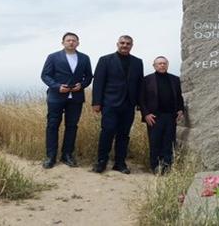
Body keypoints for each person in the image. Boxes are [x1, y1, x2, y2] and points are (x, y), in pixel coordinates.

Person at [91, 35, 144, 174]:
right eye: (122, 43)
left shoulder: (138, 62)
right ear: (117, 44)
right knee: (107, 132)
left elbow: (139, 84)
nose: (125, 45)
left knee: (124, 134)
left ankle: (120, 163)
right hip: (110, 103)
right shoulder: (105, 60)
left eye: (128, 43)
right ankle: (101, 161)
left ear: (132, 45)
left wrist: (139, 103)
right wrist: (96, 102)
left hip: (129, 104)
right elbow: (98, 82)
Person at [40, 32, 93, 169]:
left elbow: (88, 77)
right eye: (68, 40)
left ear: (78, 43)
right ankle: (50, 157)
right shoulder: (53, 57)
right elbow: (45, 75)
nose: (71, 42)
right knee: (52, 126)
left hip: (76, 98)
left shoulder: (84, 58)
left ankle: (67, 155)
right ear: (63, 42)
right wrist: (57, 87)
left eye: (74, 40)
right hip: (56, 97)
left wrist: (81, 85)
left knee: (72, 127)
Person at [139, 56, 184, 173]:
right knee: (155, 142)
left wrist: (180, 109)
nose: (162, 65)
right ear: (154, 66)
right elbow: (141, 99)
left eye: (164, 63)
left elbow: (179, 97)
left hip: (170, 116)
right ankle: (155, 167)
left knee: (169, 142)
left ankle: (167, 167)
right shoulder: (146, 80)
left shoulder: (175, 79)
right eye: (159, 63)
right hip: (154, 117)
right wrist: (146, 114)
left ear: (167, 65)